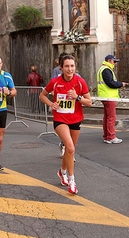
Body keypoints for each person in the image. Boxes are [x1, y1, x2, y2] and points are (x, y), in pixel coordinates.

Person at [39, 54, 92, 194]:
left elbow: (89, 102)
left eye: (72, 66)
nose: (70, 69)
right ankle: (72, 180)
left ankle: (62, 171)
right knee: (70, 148)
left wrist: (77, 97)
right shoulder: (55, 82)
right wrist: (51, 104)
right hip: (60, 119)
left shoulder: (80, 82)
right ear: (61, 68)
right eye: (67, 66)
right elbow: (42, 95)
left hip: (76, 119)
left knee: (70, 150)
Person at [96, 54, 128, 144]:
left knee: (107, 117)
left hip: (104, 95)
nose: (115, 64)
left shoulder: (102, 69)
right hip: (109, 96)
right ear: (109, 61)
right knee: (111, 117)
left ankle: (107, 136)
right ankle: (111, 136)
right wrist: (121, 84)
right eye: (114, 61)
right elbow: (111, 83)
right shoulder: (106, 69)